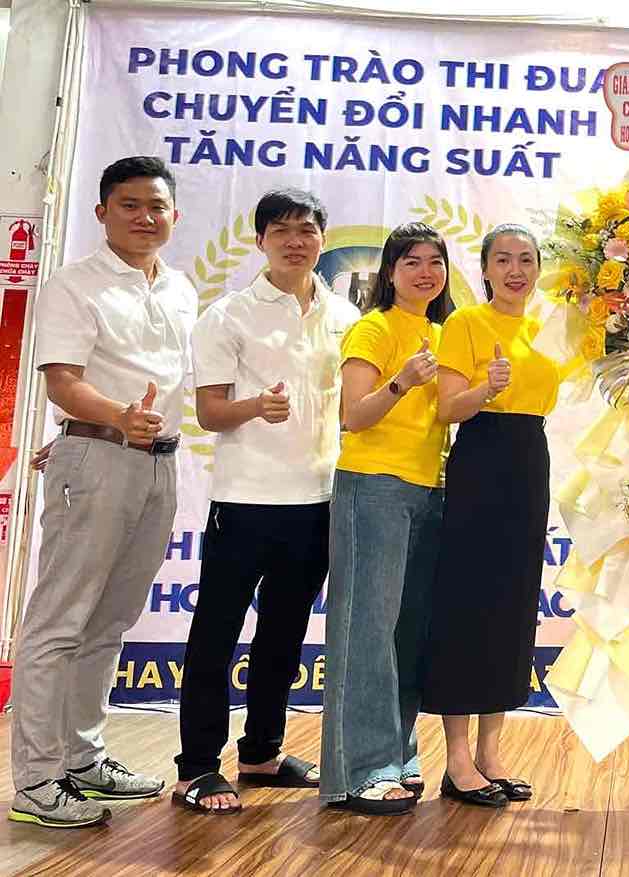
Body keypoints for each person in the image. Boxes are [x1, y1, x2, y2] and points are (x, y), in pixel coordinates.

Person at [7, 156, 195, 828]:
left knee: (109, 620)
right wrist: (108, 422)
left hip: (157, 465)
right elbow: (62, 381)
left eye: (157, 206)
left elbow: (173, 386)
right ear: (101, 212)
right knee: (59, 620)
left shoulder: (179, 288)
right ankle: (35, 781)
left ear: (174, 215)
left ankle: (82, 760)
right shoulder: (74, 285)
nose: (146, 217)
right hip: (101, 454)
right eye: (130, 205)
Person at [172, 189, 360, 814]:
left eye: (306, 229)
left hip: (318, 497)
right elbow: (208, 411)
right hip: (245, 499)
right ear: (260, 241)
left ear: (321, 239)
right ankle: (197, 767)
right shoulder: (227, 315)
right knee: (216, 632)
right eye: (280, 230)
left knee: (285, 632)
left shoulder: (344, 316)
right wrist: (256, 406)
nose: (294, 240)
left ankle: (260, 753)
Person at [421, 224, 559, 808]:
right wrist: (486, 385)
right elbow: (447, 408)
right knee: (466, 606)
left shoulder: (548, 330)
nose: (515, 270)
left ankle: (491, 753)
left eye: (526, 260)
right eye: (502, 260)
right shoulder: (465, 323)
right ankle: (455, 761)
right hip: (480, 456)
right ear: (484, 269)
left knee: (511, 604)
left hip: (530, 459)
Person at [319, 222, 452, 815]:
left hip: (429, 490)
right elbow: (355, 415)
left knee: (406, 630)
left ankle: (395, 755)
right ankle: (357, 772)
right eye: (411, 262)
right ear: (390, 273)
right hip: (373, 486)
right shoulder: (372, 328)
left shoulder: (445, 332)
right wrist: (404, 381)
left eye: (435, 261)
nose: (425, 272)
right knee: (365, 630)